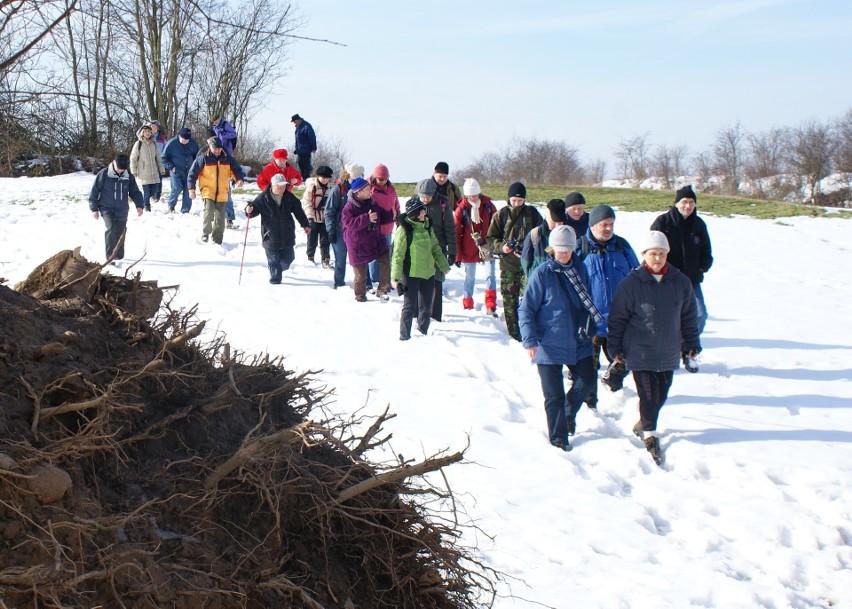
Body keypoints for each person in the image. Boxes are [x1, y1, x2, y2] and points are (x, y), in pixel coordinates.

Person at [606, 230, 701, 465]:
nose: (657, 259)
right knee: (647, 394)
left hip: (668, 349)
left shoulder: (679, 282)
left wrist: (691, 343)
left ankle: (643, 423)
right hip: (640, 350)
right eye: (652, 254)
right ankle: (650, 433)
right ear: (644, 255)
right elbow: (618, 318)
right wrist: (614, 347)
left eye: (661, 254)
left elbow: (689, 316)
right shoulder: (632, 283)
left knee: (661, 393)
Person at [519, 225, 601, 451]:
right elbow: (526, 309)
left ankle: (568, 412)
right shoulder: (542, 274)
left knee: (586, 382)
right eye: (560, 249)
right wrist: (530, 340)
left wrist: (589, 325)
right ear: (551, 248)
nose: (564, 253)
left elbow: (588, 302)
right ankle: (558, 439)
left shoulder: (581, 269)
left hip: (578, 340)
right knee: (553, 395)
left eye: (568, 248)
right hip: (548, 344)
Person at [575, 204, 640, 408]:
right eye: (604, 225)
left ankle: (613, 380)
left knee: (630, 357)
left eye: (611, 224)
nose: (608, 229)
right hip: (590, 322)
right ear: (593, 225)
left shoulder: (622, 246)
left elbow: (638, 275)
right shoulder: (580, 248)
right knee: (588, 370)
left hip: (619, 320)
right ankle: (590, 406)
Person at [650, 184, 713, 337]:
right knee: (668, 315)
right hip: (667, 279)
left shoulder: (698, 225)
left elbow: (706, 252)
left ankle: (689, 347)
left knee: (700, 314)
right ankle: (670, 346)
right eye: (684, 202)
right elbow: (650, 250)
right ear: (677, 203)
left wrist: (701, 270)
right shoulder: (663, 223)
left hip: (691, 280)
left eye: (691, 202)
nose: (688, 206)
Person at [486, 182, 543, 341]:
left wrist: (528, 248)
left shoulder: (532, 213)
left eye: (520, 200)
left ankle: (530, 332)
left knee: (530, 301)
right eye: (514, 200)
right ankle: (513, 335)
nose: (517, 203)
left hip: (529, 266)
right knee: (510, 302)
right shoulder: (501, 215)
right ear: (508, 199)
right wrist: (502, 247)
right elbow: (491, 239)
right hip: (508, 265)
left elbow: (542, 234)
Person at [392, 197, 451, 340]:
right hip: (411, 275)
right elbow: (398, 255)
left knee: (426, 307)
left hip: (428, 274)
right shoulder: (404, 229)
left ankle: (422, 332)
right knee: (409, 307)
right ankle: (404, 337)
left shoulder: (427, 226)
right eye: (421, 211)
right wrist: (395, 278)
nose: (424, 213)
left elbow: (435, 248)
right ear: (414, 213)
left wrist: (443, 265)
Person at [245, 173, 311, 284]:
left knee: (289, 258)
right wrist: (249, 210)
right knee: (274, 260)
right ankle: (275, 280)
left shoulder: (289, 197)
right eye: (279, 186)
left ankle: (278, 269)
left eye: (284, 186)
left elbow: (299, 212)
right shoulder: (263, 198)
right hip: (270, 235)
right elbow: (252, 210)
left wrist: (305, 224)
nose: (282, 189)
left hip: (287, 233)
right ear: (272, 185)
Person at [187, 136, 245, 245]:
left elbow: (237, 170)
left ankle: (217, 241)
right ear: (210, 147)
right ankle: (205, 233)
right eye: (215, 148)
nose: (217, 150)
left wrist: (239, 179)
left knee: (220, 219)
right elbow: (192, 174)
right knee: (208, 212)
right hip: (207, 190)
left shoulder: (227, 159)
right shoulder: (203, 159)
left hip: (222, 192)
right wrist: (191, 189)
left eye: (219, 148)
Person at [88, 154, 145, 264]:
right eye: (119, 168)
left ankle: (119, 256)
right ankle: (110, 258)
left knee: (120, 231)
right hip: (106, 208)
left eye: (122, 169)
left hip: (122, 209)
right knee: (111, 229)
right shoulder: (104, 174)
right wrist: (94, 208)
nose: (120, 171)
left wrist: (139, 205)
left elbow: (135, 192)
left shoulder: (128, 176)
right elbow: (94, 192)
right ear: (113, 163)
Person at [341, 177, 390, 302]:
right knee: (361, 276)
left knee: (385, 260)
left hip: (374, 240)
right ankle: (360, 297)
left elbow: (381, 215)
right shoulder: (349, 207)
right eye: (367, 189)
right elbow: (350, 224)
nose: (370, 191)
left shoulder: (371, 202)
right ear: (358, 192)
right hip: (357, 244)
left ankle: (383, 289)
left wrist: (392, 215)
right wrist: (367, 218)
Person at [453, 178, 498, 314]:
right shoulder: (461, 209)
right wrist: (458, 255)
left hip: (487, 246)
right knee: (470, 277)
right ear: (466, 195)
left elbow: (497, 226)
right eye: (470, 195)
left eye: (475, 194)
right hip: (468, 248)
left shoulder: (488, 206)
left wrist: (496, 245)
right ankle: (468, 303)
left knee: (490, 275)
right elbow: (457, 233)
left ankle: (491, 304)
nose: (473, 197)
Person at [416, 178, 456, 322]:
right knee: (418, 280)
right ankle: (417, 314)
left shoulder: (443, 204)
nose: (425, 199)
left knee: (436, 281)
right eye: (422, 196)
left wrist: (452, 251)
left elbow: (450, 229)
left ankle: (435, 316)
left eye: (427, 196)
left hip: (437, 249)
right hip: (418, 249)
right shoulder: (415, 203)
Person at [368, 164, 400, 288]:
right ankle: (374, 279)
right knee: (374, 255)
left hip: (388, 227)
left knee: (386, 254)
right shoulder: (369, 188)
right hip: (374, 227)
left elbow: (396, 204)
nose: (384, 181)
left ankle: (385, 279)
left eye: (386, 179)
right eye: (381, 179)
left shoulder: (391, 189)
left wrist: (398, 218)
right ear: (375, 177)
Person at [521, 198, 568, 277]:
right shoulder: (534, 235)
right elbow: (526, 265)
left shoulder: (569, 236)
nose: (557, 226)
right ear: (546, 216)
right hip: (540, 284)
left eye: (560, 222)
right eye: (553, 221)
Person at [301, 165, 333, 267]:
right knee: (312, 240)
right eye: (323, 177)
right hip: (313, 217)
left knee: (325, 240)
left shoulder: (330, 189)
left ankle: (325, 259)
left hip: (325, 218)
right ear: (318, 176)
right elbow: (307, 203)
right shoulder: (311, 187)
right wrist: (310, 218)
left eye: (327, 178)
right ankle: (310, 257)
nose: (325, 180)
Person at [161, 127, 200, 213]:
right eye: (183, 139)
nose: (185, 141)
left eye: (187, 139)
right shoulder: (171, 143)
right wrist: (171, 167)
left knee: (188, 189)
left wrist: (195, 168)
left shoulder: (193, 143)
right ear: (179, 136)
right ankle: (171, 206)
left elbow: (198, 157)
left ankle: (185, 210)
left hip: (189, 171)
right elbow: (163, 158)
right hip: (176, 170)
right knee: (177, 187)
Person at [129, 124, 166, 211]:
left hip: (154, 171)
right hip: (143, 171)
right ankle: (146, 206)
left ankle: (145, 200)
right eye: (146, 131)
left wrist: (162, 169)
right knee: (146, 191)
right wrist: (133, 170)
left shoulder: (154, 143)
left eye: (149, 131)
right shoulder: (139, 144)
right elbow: (133, 158)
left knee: (155, 190)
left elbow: (158, 157)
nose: (148, 133)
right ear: (142, 133)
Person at [211, 115, 239, 228]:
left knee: (227, 194)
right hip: (216, 155)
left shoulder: (225, 124)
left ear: (219, 119)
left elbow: (234, 134)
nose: (215, 123)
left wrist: (224, 134)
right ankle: (214, 217)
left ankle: (230, 219)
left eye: (216, 121)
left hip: (226, 153)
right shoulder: (214, 126)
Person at [291, 114, 317, 180]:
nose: (294, 123)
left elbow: (312, 137)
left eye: (294, 121)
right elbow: (298, 140)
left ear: (298, 120)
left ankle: (306, 178)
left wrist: (313, 147)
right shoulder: (298, 127)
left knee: (306, 165)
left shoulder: (307, 126)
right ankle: (303, 178)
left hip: (306, 149)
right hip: (300, 150)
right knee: (300, 164)